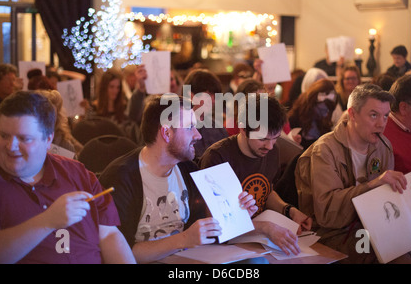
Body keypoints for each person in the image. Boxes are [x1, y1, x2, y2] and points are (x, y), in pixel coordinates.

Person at [99, 94, 257, 263]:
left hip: (189, 258)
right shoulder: (121, 178)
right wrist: (183, 239)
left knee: (256, 262)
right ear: (166, 132)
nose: (198, 135)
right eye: (190, 128)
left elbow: (205, 230)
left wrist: (236, 214)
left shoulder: (187, 169)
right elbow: (119, 253)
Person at [0, 91, 135, 264]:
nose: (11, 146)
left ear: (48, 139)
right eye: (4, 135)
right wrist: (47, 221)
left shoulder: (77, 173)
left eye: (23, 138)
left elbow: (109, 234)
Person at [295, 83, 411, 263]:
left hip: (371, 224)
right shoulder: (325, 151)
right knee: (394, 256)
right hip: (332, 233)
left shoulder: (383, 146)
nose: (381, 124)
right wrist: (373, 185)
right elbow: (327, 213)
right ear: (352, 114)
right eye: (373, 115)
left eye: (385, 116)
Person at [200, 94, 312, 256]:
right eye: (262, 139)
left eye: (275, 138)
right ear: (243, 129)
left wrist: (289, 210)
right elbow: (217, 224)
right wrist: (265, 227)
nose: (270, 146)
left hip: (259, 238)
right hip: (227, 245)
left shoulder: (272, 151)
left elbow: (267, 190)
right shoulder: (218, 157)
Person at [183, 68, 229, 161]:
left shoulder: (219, 129)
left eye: (215, 96)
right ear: (191, 95)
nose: (213, 100)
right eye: (208, 95)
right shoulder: (179, 128)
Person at [288, 79, 338, 149]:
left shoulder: (324, 123)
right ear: (312, 104)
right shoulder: (294, 119)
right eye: (321, 110)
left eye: (328, 111)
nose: (325, 115)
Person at [36, 89, 84, 157]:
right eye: (44, 114)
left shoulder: (64, 145)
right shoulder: (23, 139)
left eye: (52, 115)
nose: (48, 119)